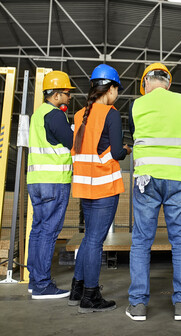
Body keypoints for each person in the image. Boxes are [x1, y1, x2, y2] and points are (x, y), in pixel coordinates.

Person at [126, 63, 181, 321]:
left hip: (146, 179)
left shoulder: (136, 105)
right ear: (168, 82)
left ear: (146, 83)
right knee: (180, 242)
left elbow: (134, 134)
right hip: (177, 178)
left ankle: (137, 305)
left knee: (141, 241)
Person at [69, 64, 131, 313]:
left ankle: (77, 288)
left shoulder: (79, 114)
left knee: (88, 238)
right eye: (117, 89)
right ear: (111, 88)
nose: (117, 94)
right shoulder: (111, 113)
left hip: (85, 185)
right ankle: (90, 297)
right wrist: (126, 150)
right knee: (96, 241)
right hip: (104, 185)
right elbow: (115, 152)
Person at [27, 70, 75, 299]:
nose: (69, 97)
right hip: (53, 181)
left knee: (37, 230)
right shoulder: (55, 115)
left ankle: (34, 279)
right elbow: (71, 142)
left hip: (36, 181)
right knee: (48, 231)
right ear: (55, 95)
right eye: (66, 94)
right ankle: (43, 285)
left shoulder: (38, 114)